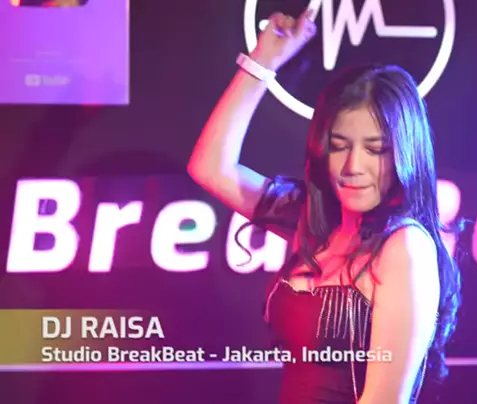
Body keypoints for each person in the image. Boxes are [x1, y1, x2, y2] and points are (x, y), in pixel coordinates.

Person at [188, 8, 462, 404]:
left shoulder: (404, 247)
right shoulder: (315, 224)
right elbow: (211, 167)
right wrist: (263, 61)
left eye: (375, 149)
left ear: (405, 152)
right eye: (338, 146)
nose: (353, 166)